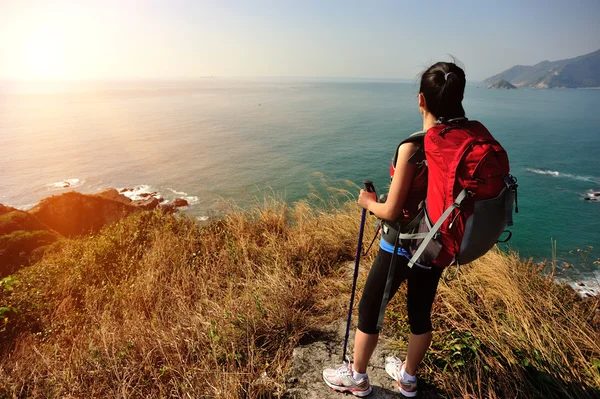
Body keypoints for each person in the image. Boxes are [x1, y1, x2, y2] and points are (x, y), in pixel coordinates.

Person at [322, 61, 468, 397]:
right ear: (459, 98)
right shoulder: (462, 145)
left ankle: (357, 378)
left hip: (402, 243)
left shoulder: (414, 148)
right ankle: (408, 378)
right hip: (436, 244)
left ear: (421, 100)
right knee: (420, 312)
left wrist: (367, 202)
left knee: (370, 307)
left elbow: (390, 210)